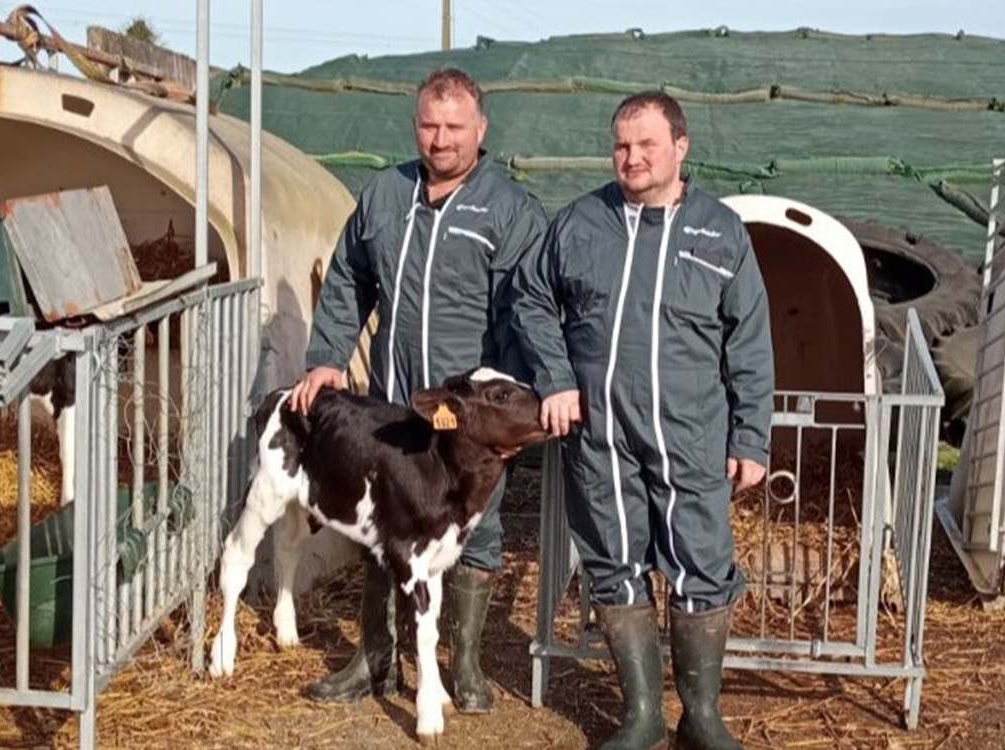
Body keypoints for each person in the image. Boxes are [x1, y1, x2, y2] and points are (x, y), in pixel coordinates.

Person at [512, 91, 773, 750]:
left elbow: (749, 340)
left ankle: (703, 717)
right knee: (613, 563)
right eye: (622, 145)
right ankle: (642, 717)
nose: (631, 158)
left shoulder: (720, 231)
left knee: (702, 564)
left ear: (680, 148)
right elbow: (532, 300)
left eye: (646, 145)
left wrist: (750, 434)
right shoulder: (579, 224)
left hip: (690, 434)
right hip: (601, 437)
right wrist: (558, 378)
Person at [291, 66, 547, 714]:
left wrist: (519, 413)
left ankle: (463, 664)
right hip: (399, 402)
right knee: (386, 527)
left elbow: (531, 308)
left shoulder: (509, 209)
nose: (441, 139)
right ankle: (374, 661)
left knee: (475, 532)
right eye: (429, 126)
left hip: (472, 417)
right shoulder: (384, 196)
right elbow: (349, 277)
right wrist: (326, 356)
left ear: (480, 129)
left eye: (455, 127)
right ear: (415, 126)